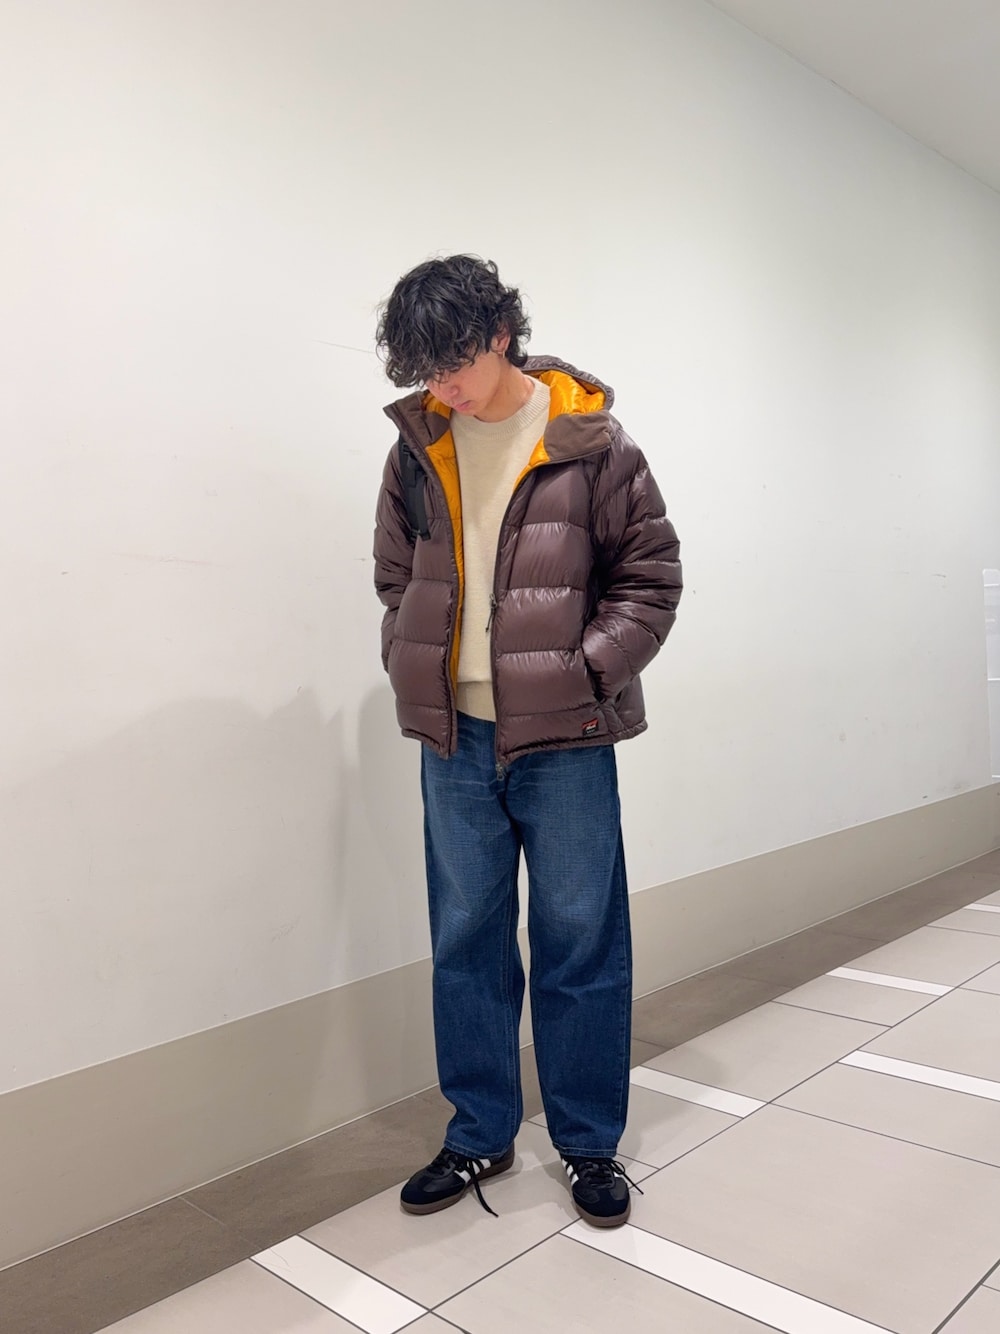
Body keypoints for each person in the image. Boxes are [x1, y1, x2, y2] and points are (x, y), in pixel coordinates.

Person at [372, 255, 681, 1227]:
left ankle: (587, 1141)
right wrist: (410, 655)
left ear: (499, 334)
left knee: (579, 939)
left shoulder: (590, 441)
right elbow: (394, 577)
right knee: (465, 941)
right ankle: (479, 1131)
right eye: (423, 369)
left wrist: (584, 674)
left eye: (454, 361)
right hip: (452, 738)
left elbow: (650, 579)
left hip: (566, 739)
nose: (442, 386)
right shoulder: (417, 447)